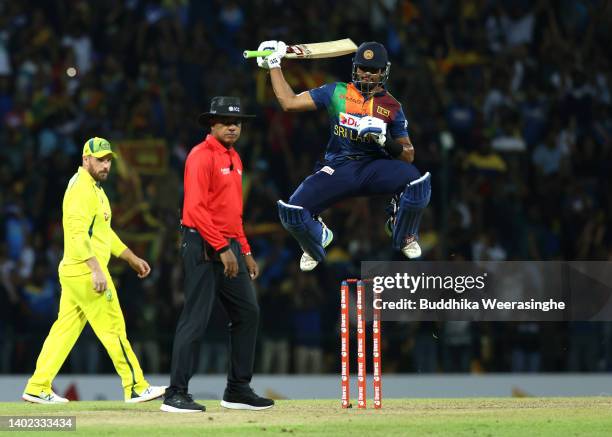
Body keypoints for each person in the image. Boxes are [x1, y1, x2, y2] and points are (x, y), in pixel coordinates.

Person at [256, 41, 431, 270]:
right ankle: (317, 238)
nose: (366, 74)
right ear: (354, 67)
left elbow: (408, 155)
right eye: (362, 68)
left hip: (375, 169)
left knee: (417, 183)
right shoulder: (336, 92)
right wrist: (274, 65)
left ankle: (403, 231)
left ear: (383, 71)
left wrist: (384, 140)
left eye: (373, 70)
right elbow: (289, 103)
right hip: (338, 168)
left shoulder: (392, 107)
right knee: (293, 212)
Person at [22, 137, 165, 404]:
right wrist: (96, 270)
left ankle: (37, 385)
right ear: (85, 159)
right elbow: (77, 234)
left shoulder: (94, 189)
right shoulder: (82, 189)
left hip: (75, 271)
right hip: (87, 273)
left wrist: (130, 257)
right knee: (113, 327)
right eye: (100, 159)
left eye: (109, 160)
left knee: (64, 331)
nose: (106, 165)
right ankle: (135, 386)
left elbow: (103, 233)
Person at [161, 97, 274, 413]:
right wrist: (223, 249)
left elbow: (233, 213)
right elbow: (195, 209)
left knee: (248, 312)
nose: (233, 126)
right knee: (195, 318)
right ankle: (176, 393)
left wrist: (245, 250)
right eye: (225, 120)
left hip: (228, 244)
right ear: (212, 123)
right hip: (202, 244)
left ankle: (237, 389)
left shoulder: (235, 158)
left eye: (237, 122)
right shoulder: (201, 156)